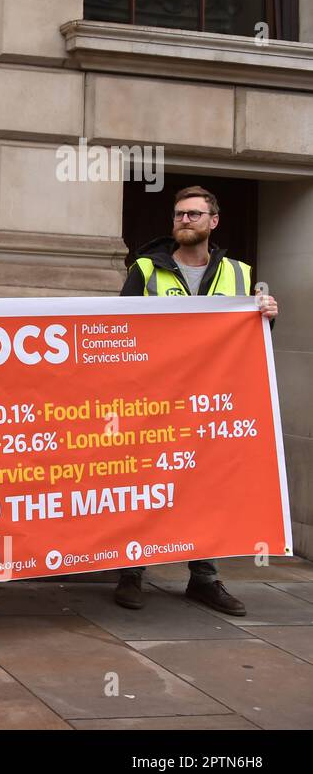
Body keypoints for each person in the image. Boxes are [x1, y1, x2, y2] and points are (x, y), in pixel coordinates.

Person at [114, 185, 279, 617]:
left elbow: (249, 344)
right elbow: (117, 331)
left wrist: (266, 320)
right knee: (145, 485)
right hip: (152, 405)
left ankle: (203, 579)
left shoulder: (240, 274)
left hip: (210, 407)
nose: (184, 221)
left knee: (206, 488)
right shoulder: (147, 269)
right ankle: (132, 572)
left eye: (193, 214)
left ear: (213, 221)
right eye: (178, 215)